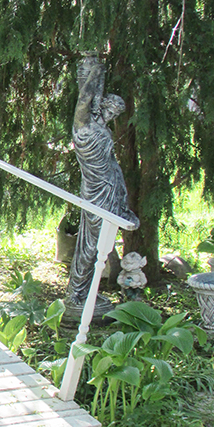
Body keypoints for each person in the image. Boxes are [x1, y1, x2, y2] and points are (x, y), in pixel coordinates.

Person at [66, 56, 139, 312]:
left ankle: (86, 293)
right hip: (96, 191)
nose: (111, 114)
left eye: (116, 113)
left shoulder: (99, 127)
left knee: (102, 247)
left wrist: (122, 198)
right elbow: (85, 101)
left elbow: (112, 163)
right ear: (102, 106)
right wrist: (94, 72)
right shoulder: (83, 127)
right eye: (109, 109)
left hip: (110, 188)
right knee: (91, 245)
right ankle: (76, 295)